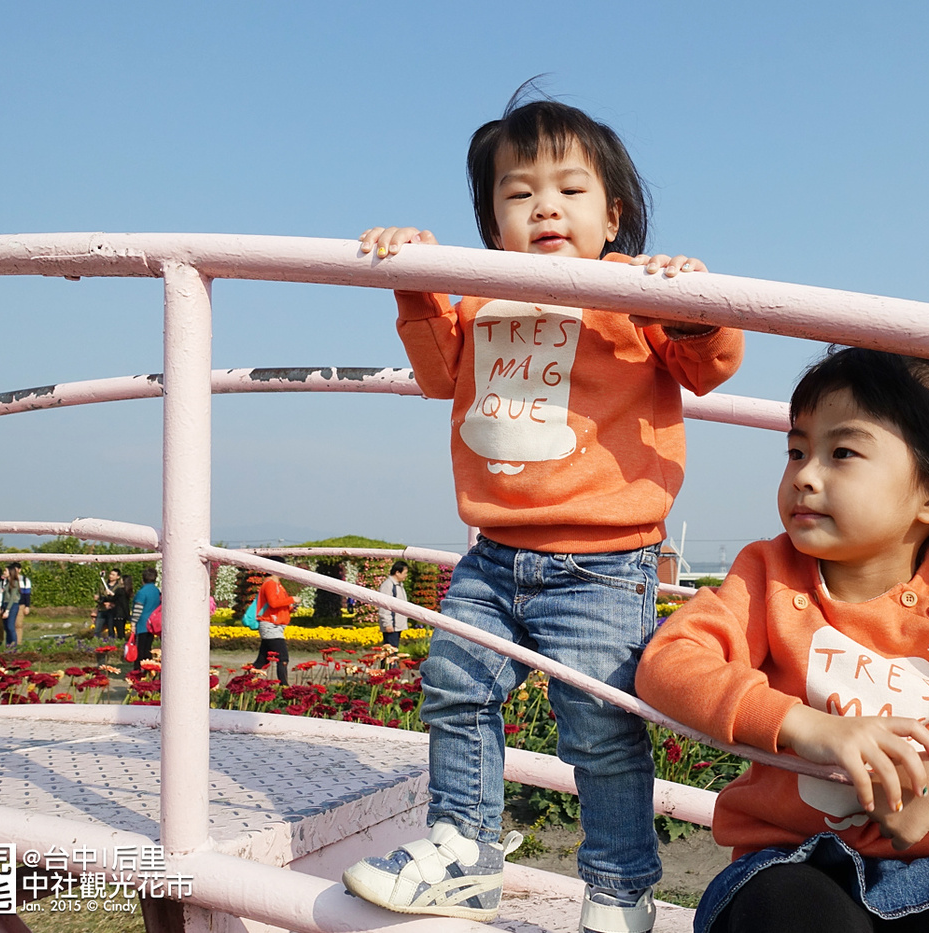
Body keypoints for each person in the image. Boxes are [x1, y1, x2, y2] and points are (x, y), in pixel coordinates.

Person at [341, 87, 744, 931]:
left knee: (598, 727)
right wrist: (417, 283)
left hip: (604, 562)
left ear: (615, 214)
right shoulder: (481, 294)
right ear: (492, 225)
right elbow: (436, 373)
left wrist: (689, 301)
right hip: (493, 552)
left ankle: (618, 887)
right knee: (455, 690)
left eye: (569, 189)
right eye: (518, 194)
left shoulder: (632, 291)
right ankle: (461, 852)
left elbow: (709, 365)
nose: (544, 207)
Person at [635, 347, 929, 933]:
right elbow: (671, 661)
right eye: (796, 451)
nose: (805, 476)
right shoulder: (766, 572)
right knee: (790, 913)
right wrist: (808, 726)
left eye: (842, 453)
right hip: (790, 858)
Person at [252, 558, 296, 686]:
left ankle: (245, 683)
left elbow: (277, 604)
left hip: (276, 625)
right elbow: (273, 603)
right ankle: (284, 687)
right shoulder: (270, 584)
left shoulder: (277, 585)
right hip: (271, 625)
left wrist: (290, 608)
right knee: (282, 658)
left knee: (262, 660)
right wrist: (291, 599)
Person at [377, 560, 412, 655]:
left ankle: (391, 669)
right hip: (391, 625)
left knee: (393, 652)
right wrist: (387, 623)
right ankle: (388, 670)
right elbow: (384, 605)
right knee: (389, 653)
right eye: (405, 573)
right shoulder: (388, 586)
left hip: (397, 626)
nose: (406, 575)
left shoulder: (399, 585)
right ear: (397, 572)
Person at [129, 567, 161, 667]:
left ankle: (138, 670)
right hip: (153, 623)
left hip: (142, 623)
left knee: (140, 649)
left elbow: (138, 609)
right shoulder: (157, 591)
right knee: (148, 648)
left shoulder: (141, 592)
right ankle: (149, 669)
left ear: (143, 578)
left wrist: (133, 623)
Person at [95, 568, 130, 639]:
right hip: (102, 609)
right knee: (97, 629)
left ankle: (112, 644)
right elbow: (98, 595)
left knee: (111, 630)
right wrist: (100, 601)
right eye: (110, 574)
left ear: (118, 577)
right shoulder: (103, 584)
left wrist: (112, 602)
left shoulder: (120, 587)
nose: (111, 576)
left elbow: (120, 599)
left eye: (113, 575)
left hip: (113, 611)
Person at [1, 562, 27, 646]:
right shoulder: (6, 582)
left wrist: (7, 610)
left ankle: (13, 644)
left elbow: (12, 598)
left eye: (5, 571)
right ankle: (8, 644)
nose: (4, 572)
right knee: (6, 627)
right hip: (6, 605)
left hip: (12, 606)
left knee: (10, 626)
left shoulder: (15, 583)